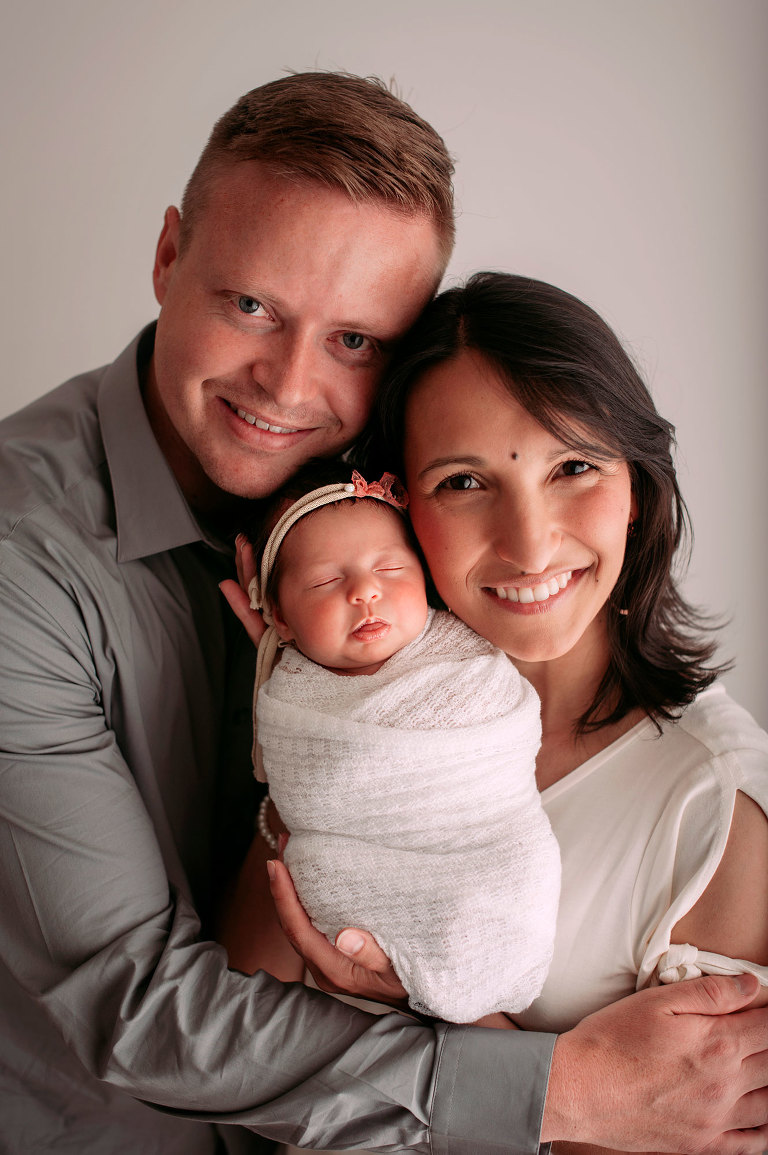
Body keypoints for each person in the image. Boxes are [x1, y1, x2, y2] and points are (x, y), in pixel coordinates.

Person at [0, 66, 765, 1154]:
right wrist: (556, 1089)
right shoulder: (23, 565)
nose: (287, 386)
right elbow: (134, 1005)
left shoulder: (380, 505)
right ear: (170, 256)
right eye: (252, 305)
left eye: (356, 340)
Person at [246, 270, 768, 1154]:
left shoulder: (714, 807)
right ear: (397, 501)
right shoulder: (344, 709)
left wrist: (431, 1010)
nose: (530, 542)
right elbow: (235, 1026)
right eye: (463, 482)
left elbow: (711, 1132)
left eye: (573, 466)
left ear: (637, 486)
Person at [243, 457, 560, 1023]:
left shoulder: (465, 660)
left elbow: (501, 742)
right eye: (323, 581)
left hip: (490, 854)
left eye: (390, 570)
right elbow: (307, 793)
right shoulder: (289, 695)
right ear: (280, 620)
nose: (365, 591)